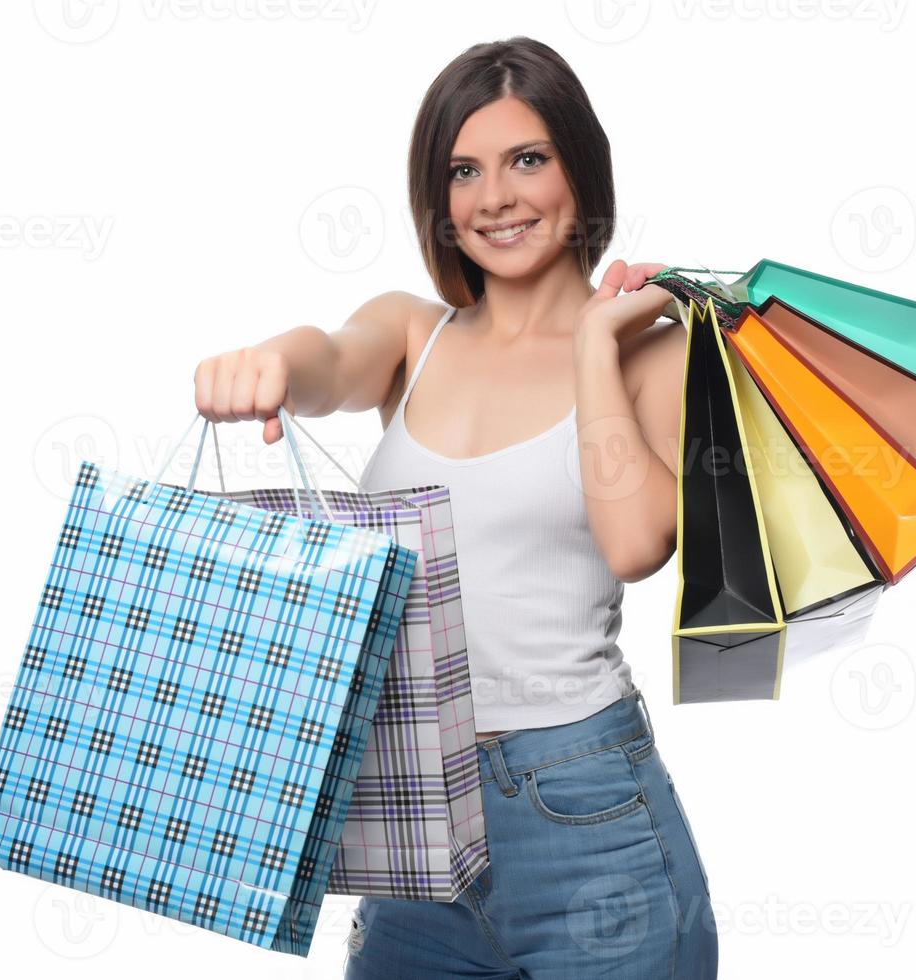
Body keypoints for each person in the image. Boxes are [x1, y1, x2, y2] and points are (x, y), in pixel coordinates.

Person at [193, 36, 717, 980]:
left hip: (583, 813)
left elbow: (639, 544)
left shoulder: (654, 352)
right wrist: (270, 362)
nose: (496, 198)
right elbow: (329, 358)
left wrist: (596, 347)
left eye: (528, 159)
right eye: (464, 171)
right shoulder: (412, 333)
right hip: (410, 815)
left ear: (578, 169)